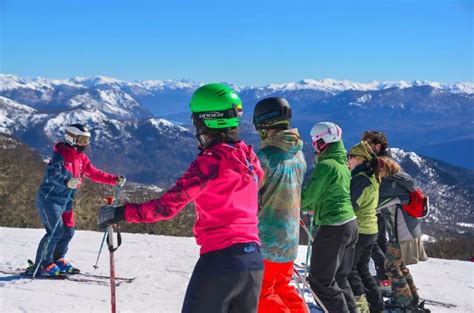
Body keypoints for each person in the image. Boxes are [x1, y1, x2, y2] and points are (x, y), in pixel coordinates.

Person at [98, 83, 264, 313]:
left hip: (220, 261)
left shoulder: (211, 162)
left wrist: (121, 212)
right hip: (253, 263)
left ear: (207, 119)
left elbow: (167, 207)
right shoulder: (249, 157)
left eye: (196, 120)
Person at [30, 124, 125, 277]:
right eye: (82, 139)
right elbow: (51, 173)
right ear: (71, 138)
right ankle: (43, 264)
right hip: (49, 199)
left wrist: (114, 180)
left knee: (68, 230)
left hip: (66, 200)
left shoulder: (81, 158)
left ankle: (58, 258)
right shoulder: (60, 155)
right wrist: (66, 182)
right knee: (55, 231)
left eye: (87, 139)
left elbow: (94, 173)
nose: (85, 143)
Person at [253, 97, 308, 313]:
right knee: (283, 287)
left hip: (267, 237)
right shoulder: (299, 154)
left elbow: (248, 193)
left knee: (262, 292)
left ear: (263, 123)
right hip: (290, 238)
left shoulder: (265, 157)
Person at [301, 121, 358, 313]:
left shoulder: (326, 165)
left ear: (325, 141)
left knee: (320, 281)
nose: (314, 146)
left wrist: (287, 204)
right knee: (339, 278)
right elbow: (330, 193)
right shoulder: (342, 163)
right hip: (350, 224)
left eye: (316, 142)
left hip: (334, 227)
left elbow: (307, 197)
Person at [377, 157, 429, 312]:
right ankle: (412, 298)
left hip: (402, 232)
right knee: (400, 265)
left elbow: (375, 204)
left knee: (391, 266)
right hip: (409, 230)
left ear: (383, 169)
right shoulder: (400, 180)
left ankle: (404, 302)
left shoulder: (389, 185)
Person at [347, 141, 385, 313]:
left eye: (351, 157)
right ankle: (377, 306)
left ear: (360, 159)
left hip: (361, 229)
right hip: (371, 229)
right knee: (363, 270)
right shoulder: (372, 176)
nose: (348, 160)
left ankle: (361, 306)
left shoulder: (360, 179)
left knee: (350, 270)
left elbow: (351, 205)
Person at [362, 130, 391, 291]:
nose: (364, 147)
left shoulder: (379, 163)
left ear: (377, 146)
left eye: (367, 144)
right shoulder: (387, 161)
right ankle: (386, 278)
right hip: (381, 209)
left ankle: (383, 276)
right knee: (380, 242)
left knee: (372, 244)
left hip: (375, 209)